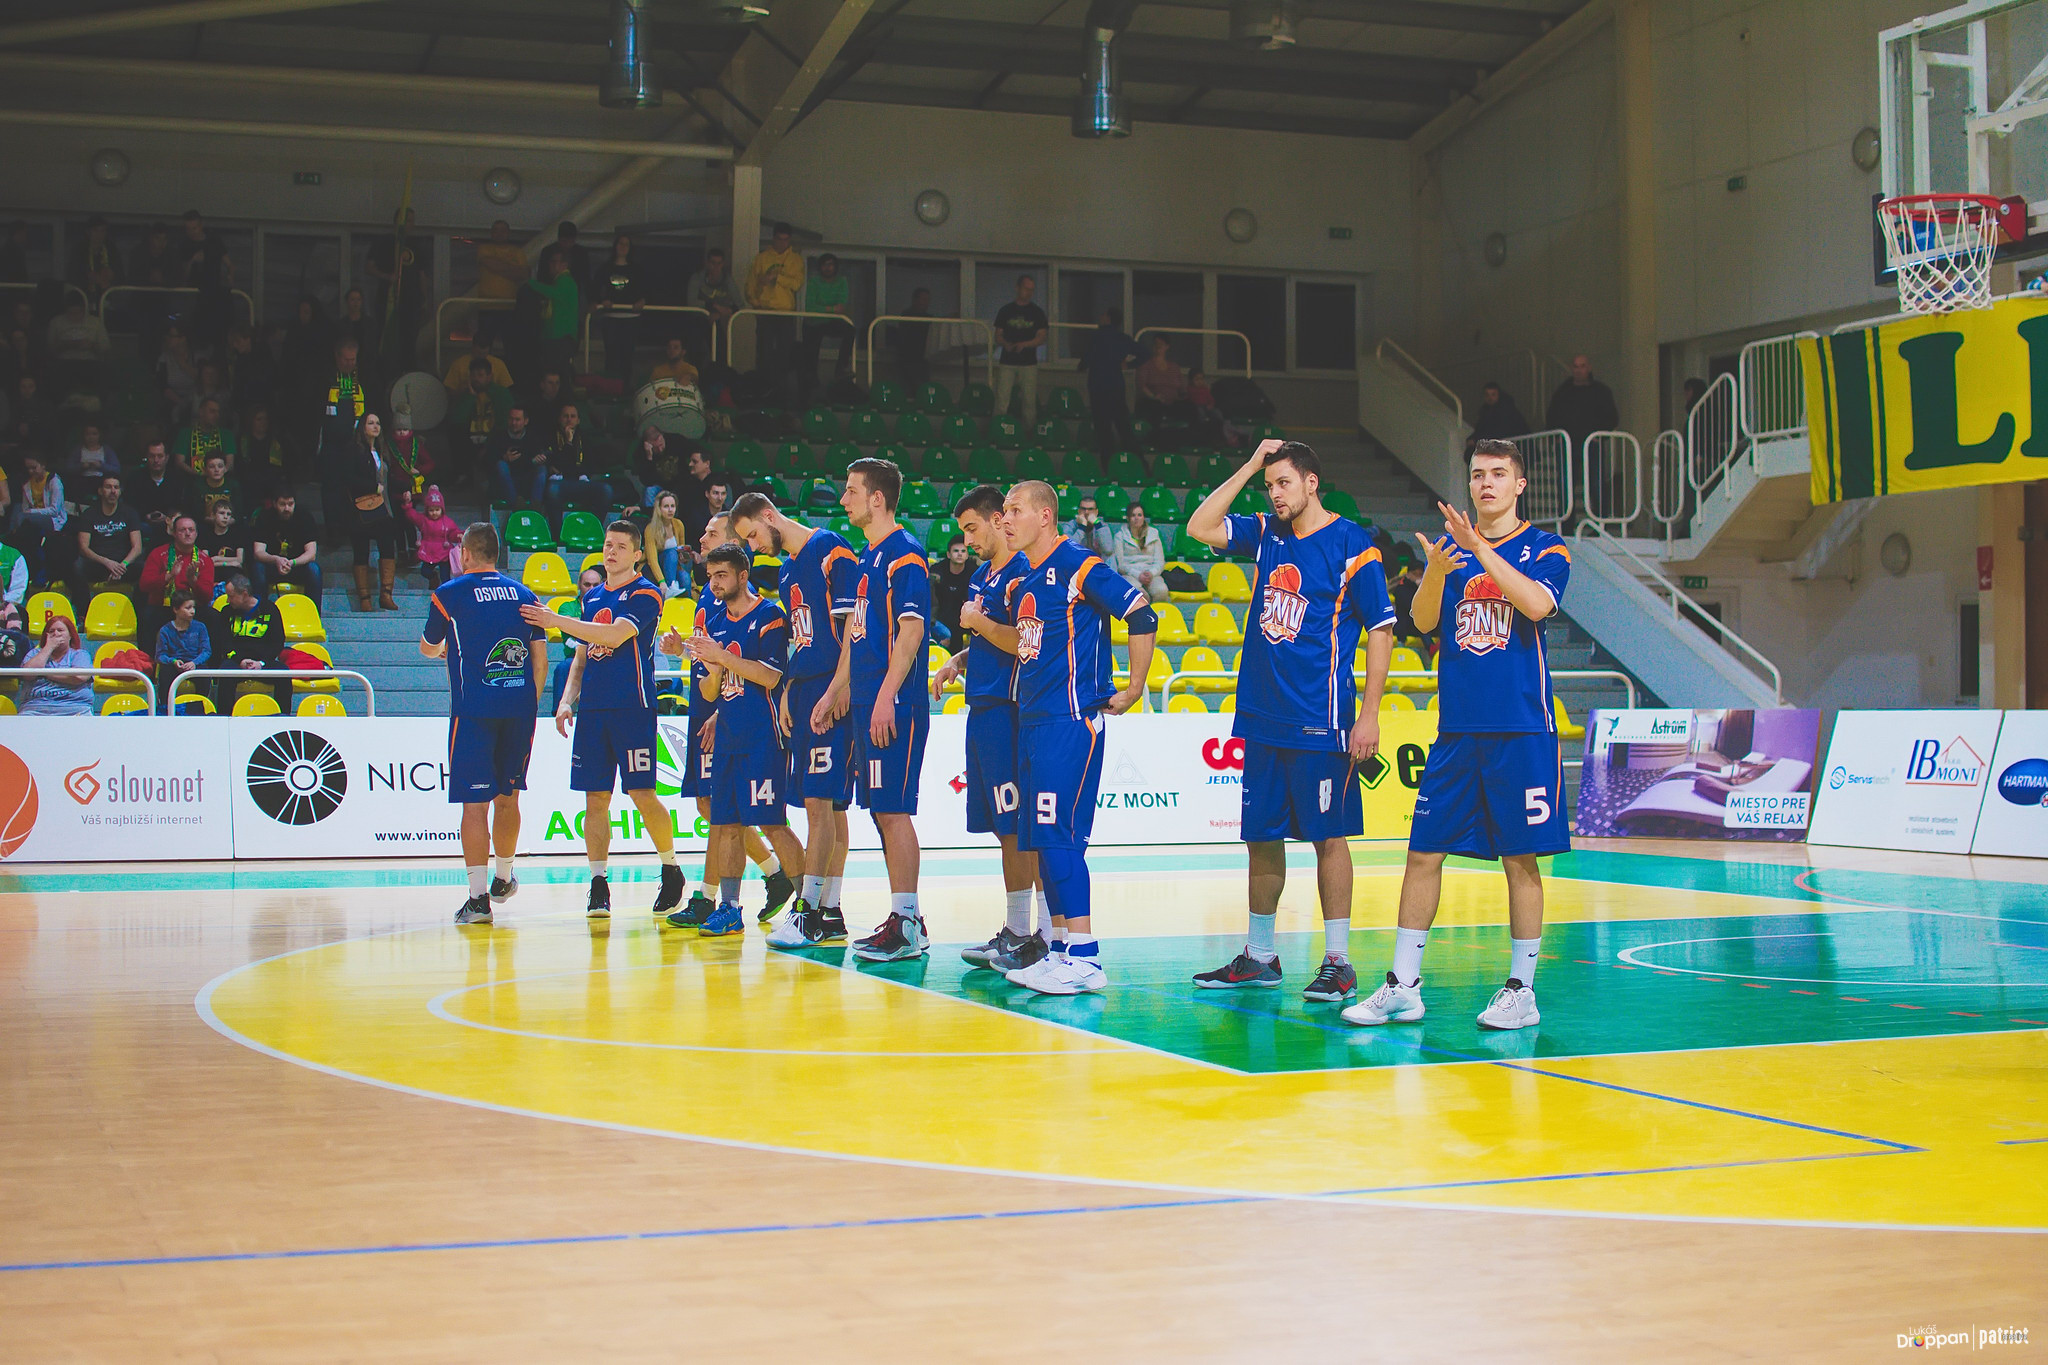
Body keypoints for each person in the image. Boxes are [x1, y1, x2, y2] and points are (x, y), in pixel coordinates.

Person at [1343, 438, 1572, 1033]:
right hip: (1457, 731)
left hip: (1521, 729)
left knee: (1520, 860)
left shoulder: (1547, 548)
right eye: (1476, 475)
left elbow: (1536, 604)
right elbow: (1422, 621)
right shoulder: (1454, 554)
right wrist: (1439, 573)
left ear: (1519, 485)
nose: (1485, 483)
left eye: (1497, 474)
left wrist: (1479, 550)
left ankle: (1522, 990)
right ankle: (1403, 986)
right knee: (1423, 852)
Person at [1184, 441, 1397, 1003]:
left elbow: (1381, 631)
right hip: (1261, 717)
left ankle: (1339, 963)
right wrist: (1249, 465)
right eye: (1269, 485)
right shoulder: (1266, 533)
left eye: (1284, 483)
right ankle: (1260, 956)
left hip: (1320, 719)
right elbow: (1199, 526)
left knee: (1329, 838)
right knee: (1261, 838)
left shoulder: (1353, 543)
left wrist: (1369, 715)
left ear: (1311, 482)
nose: (1275, 494)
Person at [991, 480, 1155, 994]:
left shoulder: (1079, 565)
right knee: (1044, 842)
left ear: (1044, 516)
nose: (1005, 519)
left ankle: (1086, 958)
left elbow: (1141, 611)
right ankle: (1061, 949)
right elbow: (1026, 643)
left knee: (1059, 839)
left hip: (1070, 723)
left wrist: (1134, 687)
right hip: (1033, 723)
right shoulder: (1022, 579)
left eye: (1014, 510)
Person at [520, 521, 687, 921]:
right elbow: (581, 657)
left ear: (637, 555)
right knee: (594, 799)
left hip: (632, 707)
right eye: (608, 544)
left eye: (620, 546)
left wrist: (555, 620)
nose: (611, 551)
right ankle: (598, 883)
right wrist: (566, 701)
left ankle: (671, 868)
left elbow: (613, 636)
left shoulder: (647, 593)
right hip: (593, 710)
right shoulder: (592, 596)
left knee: (642, 794)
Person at [811, 457, 931, 960]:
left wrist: (884, 696)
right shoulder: (868, 558)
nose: (843, 500)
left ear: (876, 498)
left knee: (893, 811)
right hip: (864, 700)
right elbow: (854, 637)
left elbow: (912, 630)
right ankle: (905, 917)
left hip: (893, 703)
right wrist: (835, 690)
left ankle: (908, 923)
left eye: (851, 491)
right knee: (882, 812)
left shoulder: (905, 554)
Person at [727, 492, 859, 947]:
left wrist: (840, 685)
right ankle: (831, 911)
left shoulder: (831, 548)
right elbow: (801, 640)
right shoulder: (785, 571)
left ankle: (808, 910)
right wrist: (787, 690)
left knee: (823, 804)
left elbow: (853, 629)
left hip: (829, 685)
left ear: (769, 516)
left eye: (752, 535)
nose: (754, 546)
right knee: (828, 806)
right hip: (803, 688)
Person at [929, 483, 1049, 973]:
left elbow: (1024, 641)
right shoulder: (983, 575)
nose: (968, 540)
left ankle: (1041, 933)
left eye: (972, 529)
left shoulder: (1023, 570)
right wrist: (958, 659)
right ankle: (1017, 930)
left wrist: (976, 623)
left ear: (999, 520)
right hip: (981, 707)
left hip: (1009, 710)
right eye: (963, 532)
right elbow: (986, 635)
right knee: (1003, 829)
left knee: (1020, 827)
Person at [674, 542, 808, 938]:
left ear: (742, 576)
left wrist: (722, 657)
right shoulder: (714, 622)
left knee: (771, 822)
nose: (714, 583)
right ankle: (730, 908)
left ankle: (809, 904)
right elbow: (709, 691)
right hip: (728, 736)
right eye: (710, 576)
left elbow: (770, 676)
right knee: (726, 823)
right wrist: (712, 665)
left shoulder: (770, 616)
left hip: (764, 735)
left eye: (722, 575)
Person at [422, 520, 550, 924]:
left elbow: (428, 647)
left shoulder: (449, 593)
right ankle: (504, 877)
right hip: (519, 710)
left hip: (473, 712)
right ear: (497, 553)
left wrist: (445, 649)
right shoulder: (525, 595)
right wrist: (527, 704)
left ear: (465, 552)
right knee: (509, 796)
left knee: (474, 804)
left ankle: (478, 901)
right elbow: (540, 662)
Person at [316, 339, 369, 542]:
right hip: (331, 444)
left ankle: (353, 527)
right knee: (331, 487)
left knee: (353, 485)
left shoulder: (362, 377)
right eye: (346, 359)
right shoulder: (325, 378)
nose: (349, 363)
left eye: (353, 359)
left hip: (354, 443)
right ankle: (334, 530)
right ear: (337, 357)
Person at [212, 573, 291, 710]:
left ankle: (282, 717)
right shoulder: (226, 612)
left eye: (231, 596)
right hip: (236, 661)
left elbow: (277, 643)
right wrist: (240, 660)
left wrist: (261, 663)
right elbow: (224, 643)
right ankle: (224, 717)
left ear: (244, 594)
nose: (228, 601)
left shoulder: (270, 609)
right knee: (225, 672)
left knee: (284, 673)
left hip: (263, 661)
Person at [745, 223, 805, 400]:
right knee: (764, 352)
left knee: (784, 353)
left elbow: (797, 284)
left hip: (786, 313)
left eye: (786, 240)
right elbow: (750, 285)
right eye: (779, 239)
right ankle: (763, 391)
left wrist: (776, 278)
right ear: (773, 238)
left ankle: (782, 393)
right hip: (766, 311)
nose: (782, 243)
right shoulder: (762, 258)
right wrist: (756, 304)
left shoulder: (795, 260)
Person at [347, 412, 400, 611]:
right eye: (371, 423)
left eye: (378, 423)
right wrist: (372, 487)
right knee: (361, 551)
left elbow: (388, 479)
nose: (375, 426)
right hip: (361, 509)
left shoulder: (381, 451)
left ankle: (386, 594)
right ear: (362, 427)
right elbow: (349, 479)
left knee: (388, 548)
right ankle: (364, 598)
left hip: (383, 509)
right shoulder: (354, 451)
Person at [365, 207, 428, 371]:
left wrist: (424, 299)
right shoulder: (383, 241)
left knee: (409, 339)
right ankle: (385, 372)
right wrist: (387, 276)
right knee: (387, 336)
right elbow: (369, 267)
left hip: (411, 300)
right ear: (397, 221)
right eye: (407, 220)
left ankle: (407, 373)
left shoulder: (416, 245)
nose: (410, 224)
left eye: (412, 221)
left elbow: (421, 274)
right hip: (388, 298)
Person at [139, 513, 216, 644]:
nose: (187, 534)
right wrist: (168, 576)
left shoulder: (204, 560)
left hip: (192, 609)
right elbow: (144, 585)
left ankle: (213, 658)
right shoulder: (158, 554)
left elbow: (207, 596)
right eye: (182, 530)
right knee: (147, 615)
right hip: (164, 607)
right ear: (174, 533)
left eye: (191, 530)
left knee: (213, 617)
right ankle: (148, 657)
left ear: (196, 534)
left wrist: (193, 581)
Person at [1078, 306, 1142, 457]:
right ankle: (1138, 460)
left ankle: (1108, 462)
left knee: (1103, 427)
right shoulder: (1122, 338)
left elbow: (1086, 359)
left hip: (1098, 386)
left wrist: (1082, 366)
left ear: (1108, 318)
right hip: (1116, 386)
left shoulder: (1096, 337)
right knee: (1123, 425)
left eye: (1103, 315)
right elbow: (1144, 353)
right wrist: (1129, 365)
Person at [992, 275, 1047, 428]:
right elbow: (998, 335)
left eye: (1031, 290)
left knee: (1029, 401)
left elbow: (1042, 337)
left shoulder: (1037, 312)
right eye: (1026, 289)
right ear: (1017, 288)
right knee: (1002, 399)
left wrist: (1025, 344)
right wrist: (1006, 344)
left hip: (1028, 362)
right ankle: (997, 429)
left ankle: (1029, 431)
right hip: (1007, 361)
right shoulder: (1006, 311)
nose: (1029, 293)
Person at [796, 252, 853, 402]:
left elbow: (842, 306)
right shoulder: (814, 282)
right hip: (813, 323)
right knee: (810, 358)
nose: (828, 268)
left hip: (829, 321)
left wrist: (824, 309)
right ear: (820, 267)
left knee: (850, 330)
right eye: (825, 265)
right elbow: (810, 308)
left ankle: (841, 369)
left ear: (836, 267)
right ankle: (810, 390)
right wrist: (831, 309)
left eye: (831, 264)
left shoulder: (842, 281)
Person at [74, 474, 142, 595]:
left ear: (120, 491)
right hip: (98, 564)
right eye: (108, 487)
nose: (113, 491)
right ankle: (84, 606)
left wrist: (122, 566)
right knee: (77, 567)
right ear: (100, 491)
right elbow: (83, 548)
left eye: (116, 487)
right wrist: (107, 563)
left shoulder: (130, 513)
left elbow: (137, 547)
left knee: (145, 569)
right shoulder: (89, 514)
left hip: (123, 564)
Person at [591, 233, 645, 386]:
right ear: (615, 246)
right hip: (611, 318)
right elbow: (595, 288)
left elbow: (644, 289)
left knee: (627, 356)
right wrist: (602, 301)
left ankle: (625, 388)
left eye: (626, 244)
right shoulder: (605, 268)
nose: (623, 247)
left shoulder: (636, 269)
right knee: (611, 356)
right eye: (620, 243)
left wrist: (642, 300)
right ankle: (610, 389)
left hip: (631, 318)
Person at [18, 615, 94, 716]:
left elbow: (79, 677)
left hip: (75, 707)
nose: (56, 634)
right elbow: (27, 674)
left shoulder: (80, 654)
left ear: (70, 635)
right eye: (51, 631)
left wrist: (45, 673)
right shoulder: (34, 654)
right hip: (35, 708)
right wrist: (49, 647)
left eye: (60, 630)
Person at [250, 489, 320, 598]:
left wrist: (292, 563)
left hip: (296, 565)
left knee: (314, 569)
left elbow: (311, 554)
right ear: (274, 504)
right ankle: (260, 607)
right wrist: (276, 559)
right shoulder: (264, 517)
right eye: (282, 504)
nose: (287, 508)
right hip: (272, 565)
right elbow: (258, 552)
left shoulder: (305, 517)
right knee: (257, 568)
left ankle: (313, 608)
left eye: (290, 504)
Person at [8, 454, 65, 582]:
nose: (31, 471)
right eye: (28, 468)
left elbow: (55, 510)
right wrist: (30, 514)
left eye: (34, 467)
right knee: (23, 522)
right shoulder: (27, 484)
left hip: (53, 520)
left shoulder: (54, 481)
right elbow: (24, 508)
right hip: (32, 521)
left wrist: (32, 512)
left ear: (43, 465)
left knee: (22, 517)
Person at [473, 220, 528, 352]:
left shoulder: (518, 251)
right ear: (491, 233)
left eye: (503, 230)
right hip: (487, 306)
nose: (499, 233)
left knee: (512, 347)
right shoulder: (484, 249)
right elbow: (490, 264)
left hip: (510, 306)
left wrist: (499, 266)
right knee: (483, 346)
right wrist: (512, 269)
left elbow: (523, 274)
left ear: (508, 233)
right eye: (496, 230)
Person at [153, 590, 211, 714]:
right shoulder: (165, 630)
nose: (192, 611)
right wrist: (173, 661)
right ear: (176, 609)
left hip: (194, 664)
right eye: (188, 608)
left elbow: (206, 651)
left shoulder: (200, 627)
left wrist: (194, 663)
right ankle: (165, 709)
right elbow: (160, 655)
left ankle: (202, 710)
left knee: (204, 674)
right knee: (165, 672)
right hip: (174, 665)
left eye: (193, 607)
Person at [129, 438, 191, 551]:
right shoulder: (135, 478)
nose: (156, 460)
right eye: (152, 456)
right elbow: (130, 506)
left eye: (160, 456)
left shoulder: (178, 479)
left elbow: (183, 506)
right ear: (146, 457)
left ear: (167, 457)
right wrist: (145, 516)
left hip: (171, 523)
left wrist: (168, 517)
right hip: (143, 523)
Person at [529, 249, 581, 379]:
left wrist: (530, 283)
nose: (550, 265)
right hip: (555, 337)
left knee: (557, 374)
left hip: (560, 337)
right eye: (550, 262)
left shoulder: (566, 281)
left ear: (564, 265)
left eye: (554, 262)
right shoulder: (559, 282)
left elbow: (553, 293)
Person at [487, 402, 547, 510]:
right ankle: (516, 505)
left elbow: (535, 461)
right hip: (505, 483)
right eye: (511, 419)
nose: (514, 423)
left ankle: (536, 508)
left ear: (526, 421)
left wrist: (535, 461)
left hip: (527, 481)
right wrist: (504, 457)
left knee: (542, 469)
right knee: (501, 465)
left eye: (517, 420)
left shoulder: (533, 438)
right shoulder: (498, 437)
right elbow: (486, 460)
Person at [686, 247, 736, 365]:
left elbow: (739, 304)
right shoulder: (697, 277)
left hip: (717, 321)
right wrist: (715, 307)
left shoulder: (727, 280)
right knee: (695, 351)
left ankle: (719, 374)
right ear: (707, 263)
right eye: (713, 263)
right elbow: (691, 302)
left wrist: (721, 313)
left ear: (723, 264)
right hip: (697, 320)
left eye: (719, 263)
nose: (716, 267)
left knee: (721, 352)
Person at [1109, 502, 1168, 603]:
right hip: (1130, 574)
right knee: (1139, 595)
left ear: (1144, 517)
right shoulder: (1119, 536)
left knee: (1161, 591)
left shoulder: (1154, 534)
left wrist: (1151, 573)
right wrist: (1138, 574)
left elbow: (1160, 561)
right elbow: (1121, 565)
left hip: (1151, 574)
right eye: (1133, 515)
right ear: (1128, 518)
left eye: (1139, 515)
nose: (1136, 518)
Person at [408, 486, 461, 587]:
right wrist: (408, 505)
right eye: (431, 510)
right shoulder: (423, 520)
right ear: (427, 510)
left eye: (437, 509)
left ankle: (446, 591)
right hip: (428, 552)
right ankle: (433, 578)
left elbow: (453, 534)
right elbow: (412, 516)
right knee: (425, 571)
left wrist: (459, 535)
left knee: (445, 577)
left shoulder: (447, 522)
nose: (434, 513)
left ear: (442, 509)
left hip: (444, 553)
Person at [931, 534, 974, 649]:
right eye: (956, 551)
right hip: (941, 616)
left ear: (967, 555)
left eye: (963, 551)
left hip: (964, 618)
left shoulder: (974, 572)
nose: (959, 554)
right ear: (948, 554)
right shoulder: (937, 570)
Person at [642, 489, 687, 595]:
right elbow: (652, 560)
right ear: (659, 509)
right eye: (666, 506)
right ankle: (671, 587)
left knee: (685, 579)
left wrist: (685, 556)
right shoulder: (650, 529)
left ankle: (690, 604)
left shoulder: (679, 524)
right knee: (671, 552)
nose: (670, 510)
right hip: (653, 568)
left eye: (673, 506)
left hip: (673, 565)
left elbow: (681, 548)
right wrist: (661, 581)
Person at [1136, 334, 1187, 426]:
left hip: (1173, 403)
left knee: (1189, 407)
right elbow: (1141, 385)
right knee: (1155, 408)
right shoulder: (1146, 365)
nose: (1158, 346)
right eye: (1156, 343)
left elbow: (1183, 390)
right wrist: (1153, 396)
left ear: (1167, 346)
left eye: (1161, 344)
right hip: (1153, 402)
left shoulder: (1175, 367)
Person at [890, 286, 932, 391]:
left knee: (923, 391)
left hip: (922, 360)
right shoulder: (907, 315)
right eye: (923, 299)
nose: (926, 303)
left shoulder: (929, 319)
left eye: (928, 300)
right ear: (915, 300)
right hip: (908, 360)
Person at [442, 338, 515, 397]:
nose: (481, 356)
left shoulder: (498, 364)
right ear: (473, 348)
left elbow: (507, 390)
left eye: (484, 353)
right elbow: (449, 392)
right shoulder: (458, 364)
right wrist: (462, 392)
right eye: (478, 353)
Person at [198, 498, 248, 581]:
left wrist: (216, 559)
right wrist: (228, 563)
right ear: (213, 515)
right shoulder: (206, 536)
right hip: (212, 574)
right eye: (222, 513)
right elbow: (206, 562)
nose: (225, 517)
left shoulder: (237, 535)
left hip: (232, 576)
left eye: (229, 514)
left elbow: (240, 559)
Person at [1064, 493, 1114, 560]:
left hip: (1097, 563)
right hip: (1077, 562)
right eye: (1083, 509)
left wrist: (1097, 524)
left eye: (1090, 509)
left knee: (1111, 559)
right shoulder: (1070, 526)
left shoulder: (1102, 526)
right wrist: (1082, 527)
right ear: (1079, 511)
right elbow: (1069, 549)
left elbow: (1108, 550)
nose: (1086, 512)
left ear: (1096, 512)